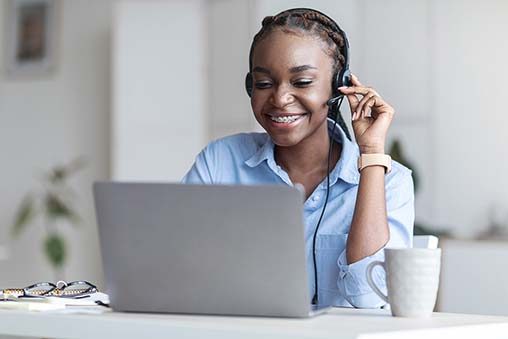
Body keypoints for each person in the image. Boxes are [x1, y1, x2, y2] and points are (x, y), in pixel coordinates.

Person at [182, 8, 413, 308]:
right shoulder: (220, 162)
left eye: (302, 82)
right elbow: (180, 275)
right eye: (264, 84)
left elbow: (369, 299)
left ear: (337, 87)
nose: (279, 98)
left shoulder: (391, 181)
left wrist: (370, 154)